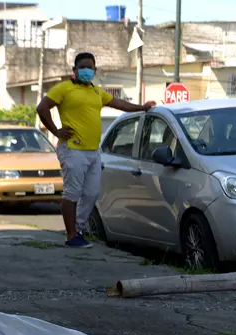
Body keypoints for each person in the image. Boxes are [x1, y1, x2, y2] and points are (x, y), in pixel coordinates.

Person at [36, 52, 156, 248]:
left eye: (90, 67)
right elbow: (42, 108)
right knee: (72, 193)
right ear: (74, 70)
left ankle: (79, 229)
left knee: (91, 193)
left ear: (95, 70)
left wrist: (142, 107)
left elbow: (120, 104)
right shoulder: (63, 89)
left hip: (93, 151)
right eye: (82, 67)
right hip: (72, 149)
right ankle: (71, 235)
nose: (86, 70)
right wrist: (56, 131)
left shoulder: (97, 92)